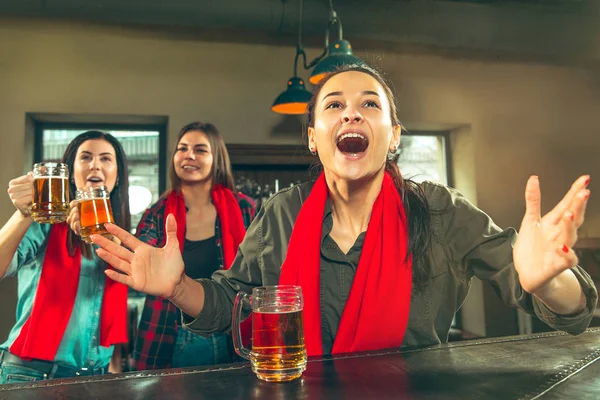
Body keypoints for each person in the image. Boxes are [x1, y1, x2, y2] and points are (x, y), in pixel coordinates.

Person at [92, 64, 597, 357]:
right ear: (313, 138)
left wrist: (549, 279)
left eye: (370, 105)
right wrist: (180, 289)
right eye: (333, 105)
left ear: (394, 137)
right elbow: (234, 306)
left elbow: (574, 315)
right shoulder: (281, 214)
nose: (351, 112)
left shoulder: (440, 210)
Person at [0, 130, 131, 383]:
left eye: (106, 159)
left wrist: (114, 370)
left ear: (118, 175)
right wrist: (23, 214)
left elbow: (114, 306)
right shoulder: (46, 222)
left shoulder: (121, 235)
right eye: (86, 157)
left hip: (97, 378)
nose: (95, 165)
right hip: (31, 375)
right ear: (70, 172)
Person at [129, 122, 255, 370]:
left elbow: (259, 271)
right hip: (168, 333)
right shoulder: (156, 213)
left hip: (232, 334)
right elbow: (141, 254)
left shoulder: (245, 209)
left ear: (216, 158)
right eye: (182, 148)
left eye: (200, 150)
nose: (189, 155)